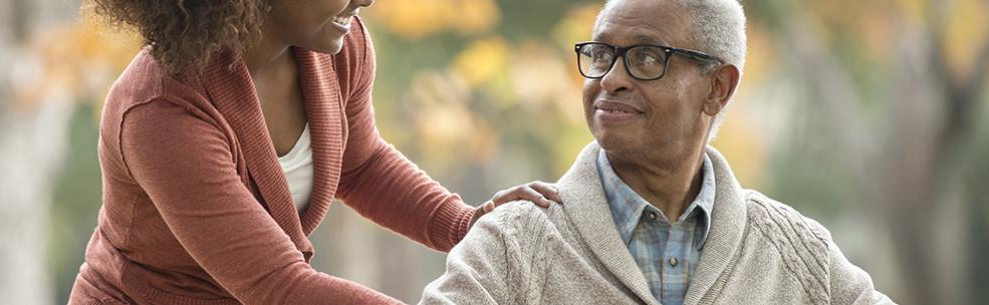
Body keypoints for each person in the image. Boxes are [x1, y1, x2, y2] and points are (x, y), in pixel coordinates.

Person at [67, 0, 561, 304]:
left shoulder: (337, 46)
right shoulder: (162, 112)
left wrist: (467, 226)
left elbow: (361, 164)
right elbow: (280, 288)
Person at [419, 0, 895, 304]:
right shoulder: (512, 243)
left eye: (646, 57)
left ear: (717, 88)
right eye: (602, 55)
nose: (610, 79)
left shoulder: (796, 253)